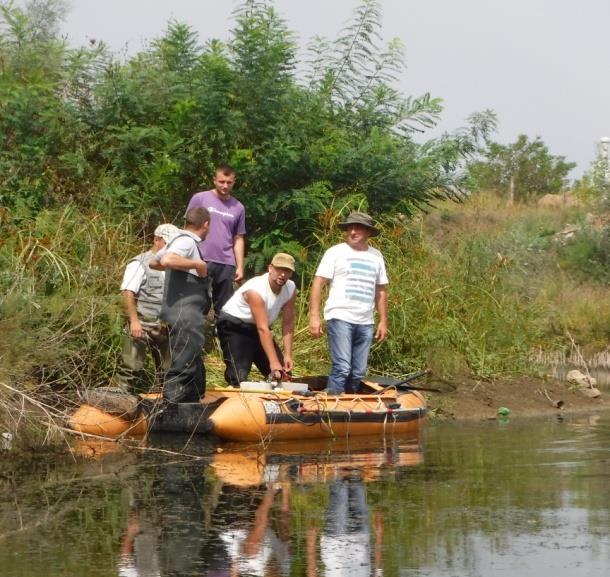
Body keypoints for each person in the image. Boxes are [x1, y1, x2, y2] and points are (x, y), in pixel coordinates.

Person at [309, 212, 388, 395]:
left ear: (368, 231)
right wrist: (314, 316)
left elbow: (381, 290)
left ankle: (349, 407)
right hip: (340, 316)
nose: (352, 231)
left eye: (358, 227)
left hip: (365, 321)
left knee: (358, 371)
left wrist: (383, 320)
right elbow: (319, 282)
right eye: (350, 228)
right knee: (342, 367)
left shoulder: (376, 256)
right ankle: (332, 406)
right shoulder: (335, 252)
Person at [150, 207, 210, 403]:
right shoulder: (187, 241)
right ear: (206, 224)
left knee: (191, 360)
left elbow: (154, 262)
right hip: (185, 314)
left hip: (180, 313)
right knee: (183, 362)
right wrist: (198, 265)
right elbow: (167, 259)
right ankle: (171, 406)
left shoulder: (177, 240)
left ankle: (192, 402)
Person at [216, 253, 297, 385]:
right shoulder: (256, 290)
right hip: (234, 326)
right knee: (238, 376)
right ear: (270, 268)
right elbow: (263, 329)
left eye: (287, 271)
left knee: (283, 376)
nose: (282, 275)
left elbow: (287, 323)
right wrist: (274, 362)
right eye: (279, 269)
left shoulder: (291, 288)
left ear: (291, 274)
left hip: (259, 328)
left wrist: (287, 355)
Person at [117, 223, 179, 393]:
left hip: (165, 327)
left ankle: (165, 405)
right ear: (156, 240)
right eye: (167, 243)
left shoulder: (174, 266)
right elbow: (128, 292)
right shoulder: (139, 263)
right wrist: (134, 321)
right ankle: (122, 400)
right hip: (142, 324)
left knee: (169, 371)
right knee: (131, 368)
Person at [186, 164, 246, 317]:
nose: (225, 186)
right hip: (201, 259)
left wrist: (240, 266)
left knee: (224, 308)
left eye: (229, 182)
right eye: (221, 182)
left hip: (226, 262)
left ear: (234, 182)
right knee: (197, 303)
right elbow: (187, 228)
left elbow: (238, 237)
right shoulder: (200, 198)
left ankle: (223, 339)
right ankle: (193, 339)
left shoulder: (238, 207)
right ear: (214, 180)